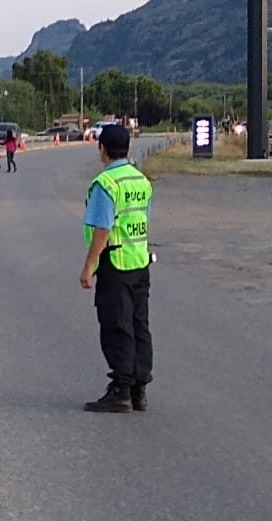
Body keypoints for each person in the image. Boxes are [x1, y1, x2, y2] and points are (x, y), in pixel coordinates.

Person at [79, 125, 153, 413]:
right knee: (138, 324)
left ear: (102, 149)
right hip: (139, 261)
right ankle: (138, 389)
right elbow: (143, 219)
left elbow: (103, 229)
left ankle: (121, 389)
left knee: (116, 325)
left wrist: (89, 266)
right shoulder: (140, 180)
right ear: (128, 148)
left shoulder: (106, 184)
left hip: (115, 262)